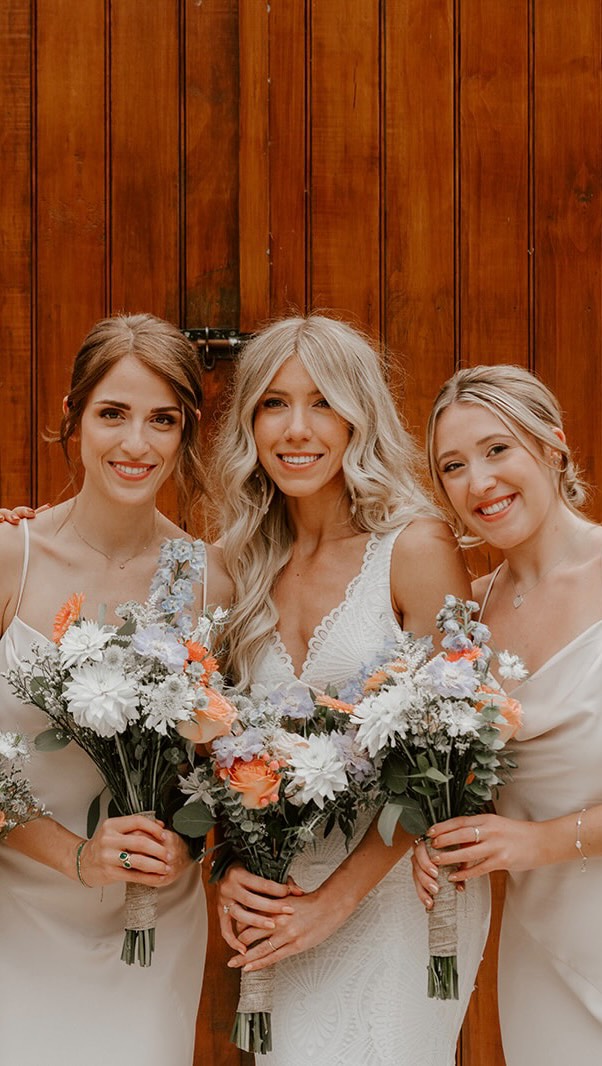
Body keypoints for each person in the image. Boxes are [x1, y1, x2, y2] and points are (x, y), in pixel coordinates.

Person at [211, 315, 491, 1065]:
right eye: (273, 403)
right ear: (249, 423)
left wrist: (337, 901)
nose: (297, 429)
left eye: (323, 402)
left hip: (400, 891)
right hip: (285, 904)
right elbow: (218, 752)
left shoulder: (417, 548)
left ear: (359, 415)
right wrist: (233, 872)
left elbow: (452, 759)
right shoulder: (237, 567)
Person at [0, 313, 232, 1066]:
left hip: (149, 922)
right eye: (113, 414)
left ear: (186, 432)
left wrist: (187, 842)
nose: (137, 444)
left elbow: (227, 766)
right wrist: (74, 855)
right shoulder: (13, 556)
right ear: (72, 419)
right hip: (18, 912)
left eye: (161, 420)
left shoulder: (208, 576)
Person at [413, 364, 602, 1065]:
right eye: (453, 467)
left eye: (498, 450)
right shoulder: (469, 619)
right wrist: (432, 841)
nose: (479, 482)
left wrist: (537, 843)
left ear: (553, 446)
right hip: (541, 950)